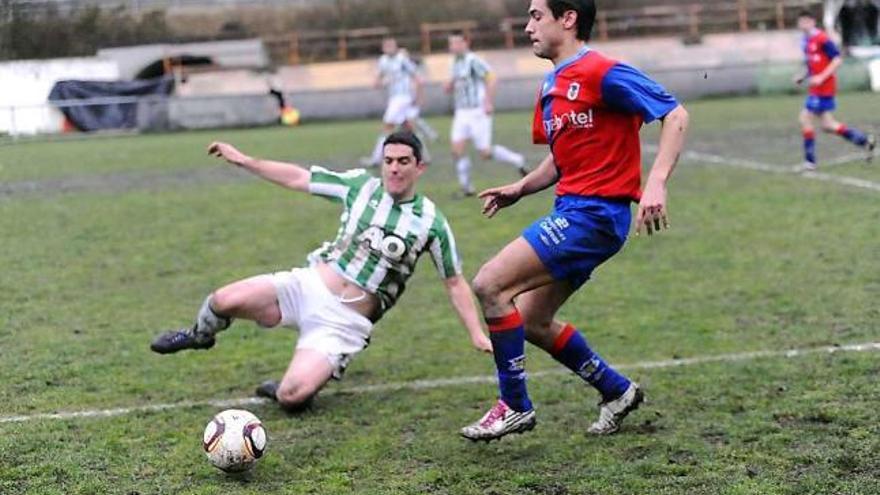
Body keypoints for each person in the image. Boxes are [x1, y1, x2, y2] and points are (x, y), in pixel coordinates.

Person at [459, 0, 690, 441]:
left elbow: (675, 115)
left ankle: (514, 406)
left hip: (596, 215)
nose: (527, 26)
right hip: (574, 213)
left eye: (535, 16)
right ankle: (617, 391)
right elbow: (560, 159)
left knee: (490, 283)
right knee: (530, 321)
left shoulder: (602, 71)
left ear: (568, 19)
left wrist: (656, 183)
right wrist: (519, 188)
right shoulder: (551, 85)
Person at [151, 131, 492, 411]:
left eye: (403, 162)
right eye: (388, 161)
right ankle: (198, 334)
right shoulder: (360, 187)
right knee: (224, 299)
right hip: (309, 286)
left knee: (292, 398)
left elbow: (454, 281)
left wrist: (476, 332)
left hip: (344, 322)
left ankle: (301, 379)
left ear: (420, 167)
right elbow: (300, 178)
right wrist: (245, 161)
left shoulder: (431, 222)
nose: (394, 169)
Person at [445, 33, 528, 197]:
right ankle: (467, 188)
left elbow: (491, 78)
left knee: (485, 153)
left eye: (456, 43)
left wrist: (488, 102)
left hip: (477, 112)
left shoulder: (473, 61)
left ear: (465, 43)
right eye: (451, 44)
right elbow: (453, 83)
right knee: (456, 150)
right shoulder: (454, 63)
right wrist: (449, 85)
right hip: (461, 112)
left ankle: (517, 160)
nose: (453, 47)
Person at [794, 9, 875, 171]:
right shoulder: (807, 41)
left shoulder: (822, 39)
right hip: (816, 87)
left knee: (805, 118)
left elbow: (837, 60)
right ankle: (863, 140)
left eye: (805, 21)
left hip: (824, 87)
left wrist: (822, 77)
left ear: (812, 22)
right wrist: (803, 75)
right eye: (800, 21)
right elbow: (812, 65)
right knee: (827, 125)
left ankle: (810, 162)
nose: (802, 24)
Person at [362, 38, 425, 167]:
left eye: (391, 45)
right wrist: (378, 82)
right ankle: (422, 156)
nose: (389, 48)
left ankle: (376, 158)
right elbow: (378, 79)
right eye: (387, 46)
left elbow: (416, 76)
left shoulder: (402, 59)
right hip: (394, 98)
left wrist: (418, 96)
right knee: (408, 127)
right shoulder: (383, 60)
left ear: (396, 47)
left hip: (402, 97)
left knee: (387, 126)